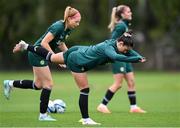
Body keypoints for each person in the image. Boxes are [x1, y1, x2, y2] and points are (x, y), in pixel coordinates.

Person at [13, 32, 146, 125]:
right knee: (84, 89)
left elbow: (129, 52)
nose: (125, 52)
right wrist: (136, 59)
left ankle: (26, 46)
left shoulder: (117, 43)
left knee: (51, 57)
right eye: (125, 49)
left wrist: (139, 56)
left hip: (78, 50)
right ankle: (85, 119)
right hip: (77, 61)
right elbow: (118, 58)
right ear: (121, 43)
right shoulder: (109, 48)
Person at [3, 6, 81, 121]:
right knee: (48, 84)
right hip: (37, 54)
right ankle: (43, 115)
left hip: (41, 55)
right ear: (69, 19)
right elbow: (44, 43)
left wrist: (67, 56)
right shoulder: (58, 26)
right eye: (76, 21)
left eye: (79, 22)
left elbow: (60, 43)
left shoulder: (67, 29)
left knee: (38, 85)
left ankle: (10, 83)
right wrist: (54, 57)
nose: (78, 24)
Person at [97, 5, 146, 114]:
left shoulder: (125, 25)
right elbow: (113, 41)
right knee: (118, 84)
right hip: (118, 57)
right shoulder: (121, 26)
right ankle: (102, 105)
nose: (131, 13)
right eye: (128, 12)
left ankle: (133, 107)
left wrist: (137, 56)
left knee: (131, 81)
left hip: (125, 56)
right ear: (122, 14)